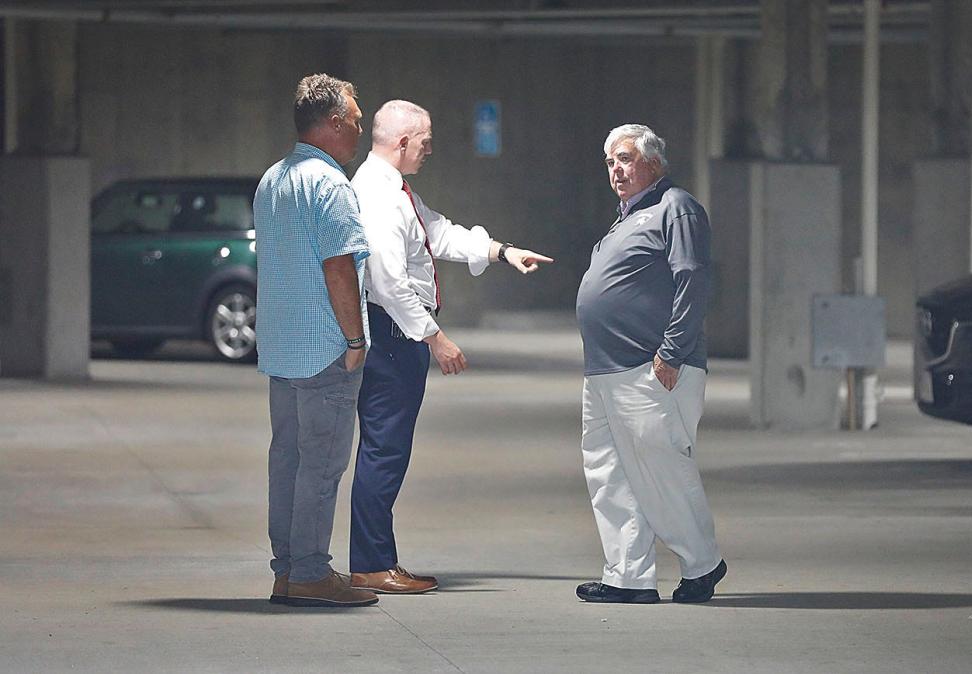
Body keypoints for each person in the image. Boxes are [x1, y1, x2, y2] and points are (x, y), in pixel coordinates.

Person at [348, 100, 553, 594]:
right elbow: (390, 281)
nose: (429, 150)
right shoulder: (377, 194)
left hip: (398, 335)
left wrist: (502, 252)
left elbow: (436, 232)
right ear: (402, 142)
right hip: (394, 336)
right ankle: (372, 564)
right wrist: (435, 338)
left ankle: (374, 558)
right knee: (384, 450)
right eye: (425, 142)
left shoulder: (393, 189)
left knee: (386, 449)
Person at [573, 124, 726, 604]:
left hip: (651, 367)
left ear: (653, 163)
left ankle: (703, 564)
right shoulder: (624, 220)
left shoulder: (674, 207)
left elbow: (693, 279)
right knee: (610, 476)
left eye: (625, 159)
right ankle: (628, 577)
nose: (616, 170)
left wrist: (671, 353)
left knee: (662, 470)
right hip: (604, 370)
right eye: (610, 163)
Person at [254, 74, 378, 608]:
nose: (358, 129)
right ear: (332, 124)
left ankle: (286, 569)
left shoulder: (272, 179)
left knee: (287, 459)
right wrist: (355, 338)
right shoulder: (329, 184)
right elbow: (339, 266)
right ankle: (309, 571)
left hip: (281, 348)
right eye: (353, 120)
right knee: (323, 463)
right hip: (324, 347)